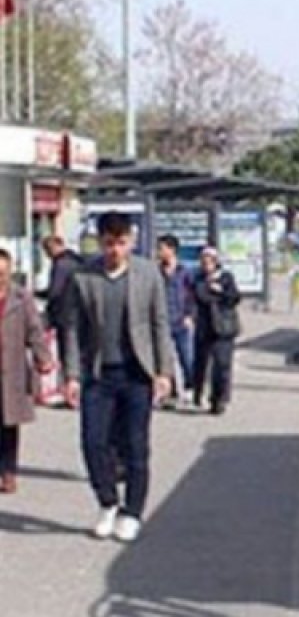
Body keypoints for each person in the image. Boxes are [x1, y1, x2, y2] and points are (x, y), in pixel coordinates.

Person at [63, 211, 175, 543]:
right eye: (109, 243)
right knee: (93, 442)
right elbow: (72, 330)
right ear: (100, 241)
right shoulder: (83, 277)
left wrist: (163, 372)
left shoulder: (147, 274)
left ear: (132, 241)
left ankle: (132, 512)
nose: (115, 250)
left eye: (122, 243)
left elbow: (159, 324)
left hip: (136, 374)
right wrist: (70, 375)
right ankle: (108, 501)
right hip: (99, 374)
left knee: (136, 445)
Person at [0, 248, 55, 493]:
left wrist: (44, 357)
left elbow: (34, 330)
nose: (0, 276)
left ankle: (9, 471)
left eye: (3, 271)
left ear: (10, 271)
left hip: (12, 370)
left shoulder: (21, 298)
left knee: (9, 425)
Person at [192, 247, 241, 415]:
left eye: (209, 261)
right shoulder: (198, 279)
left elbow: (234, 298)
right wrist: (212, 293)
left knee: (222, 365)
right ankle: (199, 394)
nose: (206, 265)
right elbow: (200, 296)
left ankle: (220, 399)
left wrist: (221, 292)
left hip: (224, 327)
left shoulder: (226, 278)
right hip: (204, 328)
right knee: (201, 364)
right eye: (203, 262)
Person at [39, 235, 82, 406]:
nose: (47, 254)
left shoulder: (61, 264)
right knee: (78, 354)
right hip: (78, 314)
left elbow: (55, 291)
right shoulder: (77, 261)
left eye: (48, 250)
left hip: (64, 316)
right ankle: (77, 393)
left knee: (67, 355)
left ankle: (70, 394)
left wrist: (38, 293)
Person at [156, 235, 196, 409]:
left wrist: (190, 315)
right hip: (161, 321)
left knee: (186, 356)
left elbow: (192, 295)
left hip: (180, 320)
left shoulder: (184, 272)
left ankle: (190, 387)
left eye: (162, 248)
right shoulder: (156, 271)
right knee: (164, 358)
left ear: (172, 250)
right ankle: (169, 392)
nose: (159, 252)